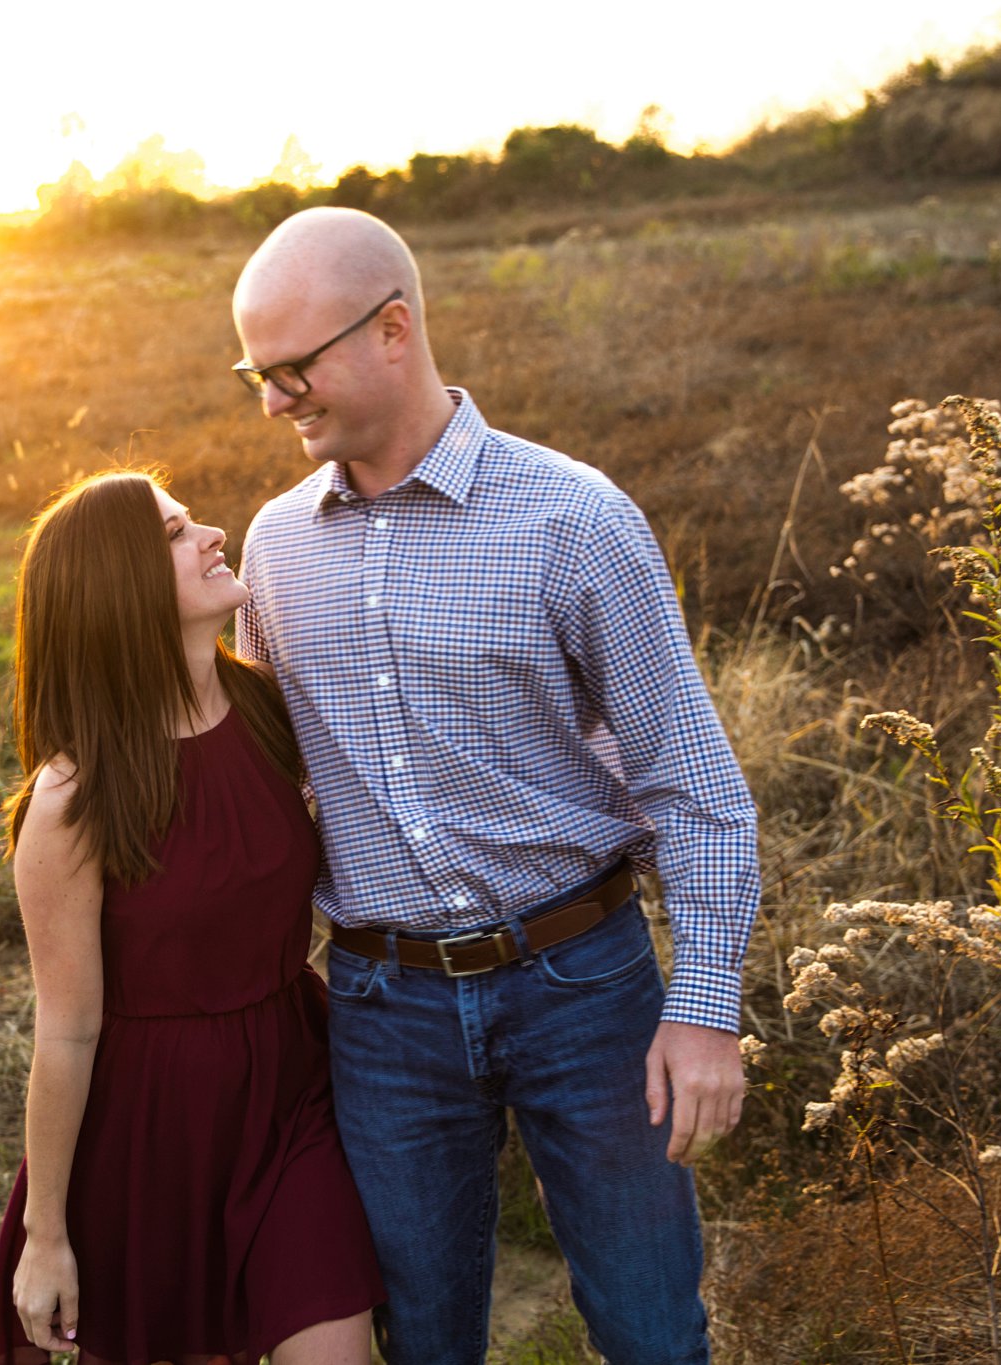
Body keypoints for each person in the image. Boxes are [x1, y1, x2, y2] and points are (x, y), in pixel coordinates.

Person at [230, 207, 760, 1365]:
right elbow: (254, 780)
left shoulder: (573, 519)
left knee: (649, 1327)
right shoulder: (271, 549)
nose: (272, 401)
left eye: (290, 369)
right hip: (381, 1008)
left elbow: (693, 783)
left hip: (586, 987)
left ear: (391, 330)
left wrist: (705, 1007)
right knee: (420, 1338)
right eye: (253, 376)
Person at [0, 469, 386, 1365]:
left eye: (193, 518)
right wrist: (47, 1233)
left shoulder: (272, 710)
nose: (211, 534)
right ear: (117, 588)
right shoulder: (73, 799)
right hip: (153, 1128)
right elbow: (68, 1030)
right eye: (172, 533)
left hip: (291, 1088)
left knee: (337, 1347)